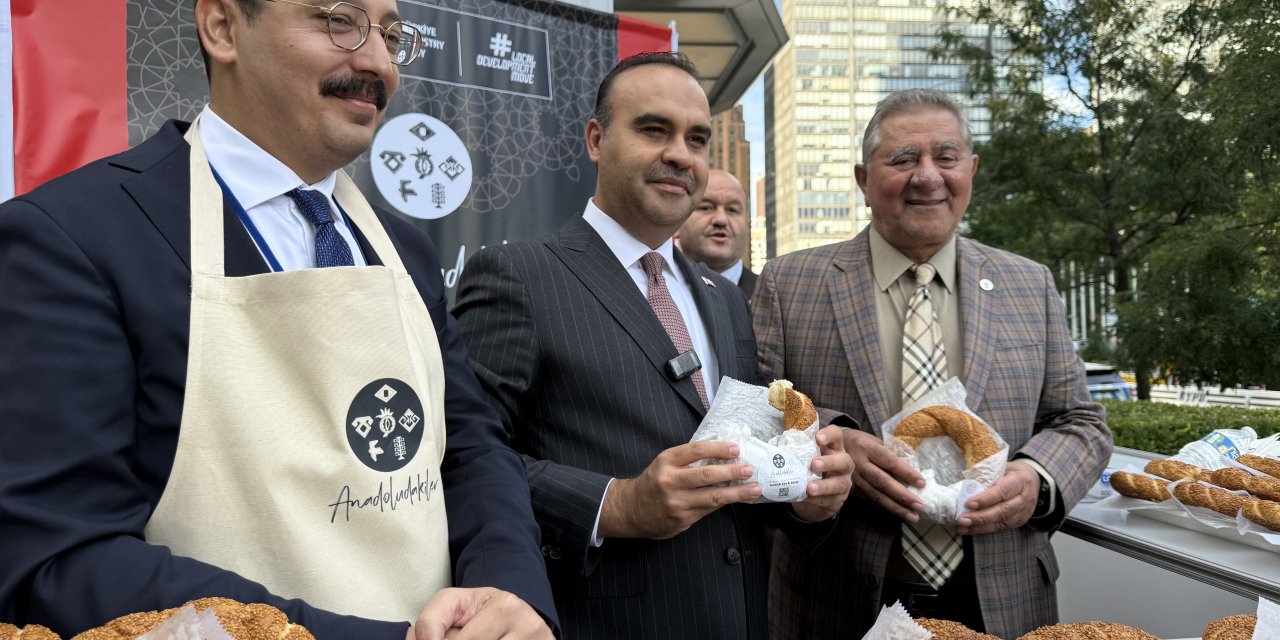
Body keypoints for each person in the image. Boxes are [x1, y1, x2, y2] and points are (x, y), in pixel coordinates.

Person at [0, 1, 556, 638]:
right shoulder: (77, 238)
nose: (377, 61)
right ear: (223, 27)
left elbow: (470, 447)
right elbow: (60, 558)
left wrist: (509, 591)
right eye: (338, 20)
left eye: (394, 35)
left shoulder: (404, 248)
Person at [452, 52, 854, 640]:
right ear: (596, 139)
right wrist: (614, 505)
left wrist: (807, 498)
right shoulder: (517, 276)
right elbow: (463, 461)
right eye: (653, 129)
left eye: (697, 138)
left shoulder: (723, 298)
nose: (679, 154)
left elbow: (743, 465)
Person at [753, 89, 1112, 639]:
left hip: (1003, 596)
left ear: (971, 169)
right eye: (902, 159)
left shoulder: (1028, 284)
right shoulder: (788, 283)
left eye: (946, 157)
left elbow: (1080, 421)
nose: (927, 177)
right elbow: (758, 413)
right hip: (837, 597)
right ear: (863, 179)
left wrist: (1037, 480)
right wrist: (830, 443)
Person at [675, 169, 756, 297]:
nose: (721, 220)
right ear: (677, 222)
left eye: (732, 210)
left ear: (747, 225)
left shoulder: (772, 298)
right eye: (706, 207)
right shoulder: (655, 291)